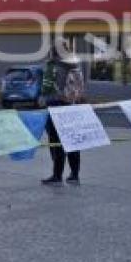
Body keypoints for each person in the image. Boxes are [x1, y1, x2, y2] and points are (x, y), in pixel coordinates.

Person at [41, 50, 83, 186]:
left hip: (55, 105)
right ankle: (74, 175)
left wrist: (42, 96)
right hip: (71, 105)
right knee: (72, 140)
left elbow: (46, 88)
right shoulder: (74, 65)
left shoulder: (52, 66)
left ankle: (57, 176)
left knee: (56, 141)